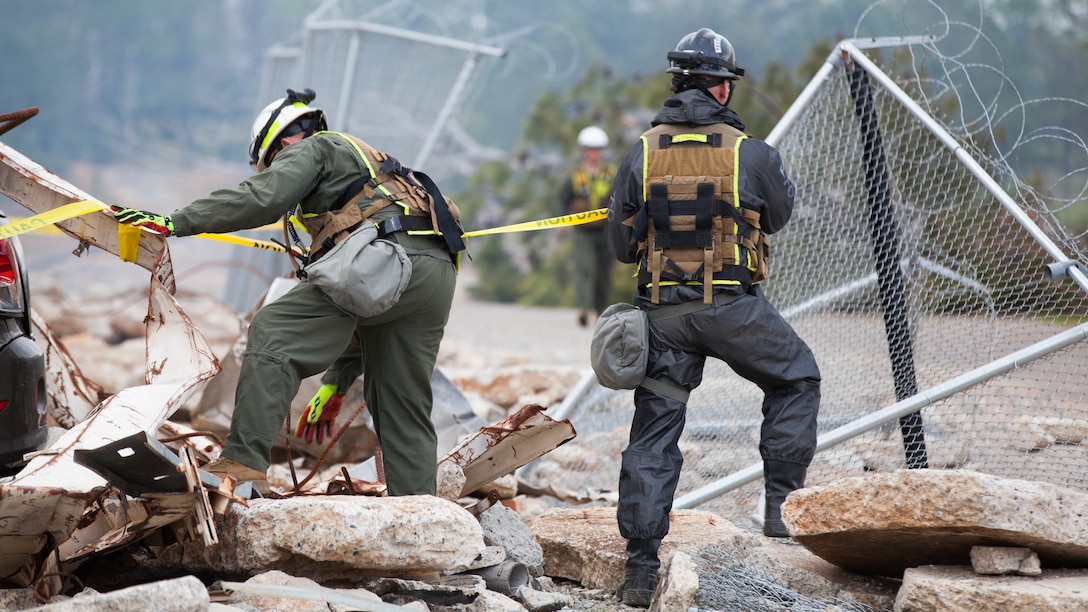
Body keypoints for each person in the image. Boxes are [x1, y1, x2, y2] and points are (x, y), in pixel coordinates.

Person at [110, 88, 465, 496]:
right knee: (401, 404)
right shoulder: (375, 168)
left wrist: (175, 222)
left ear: (283, 141)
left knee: (273, 328)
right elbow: (367, 311)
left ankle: (241, 465)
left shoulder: (312, 148)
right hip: (435, 272)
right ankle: (423, 518)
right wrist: (336, 383)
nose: (277, 170)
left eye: (274, 163)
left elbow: (261, 198)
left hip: (385, 260)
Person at [603, 29, 821, 606]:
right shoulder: (751, 152)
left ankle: (640, 571)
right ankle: (779, 508)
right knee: (795, 377)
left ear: (676, 84)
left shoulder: (641, 151)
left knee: (654, 434)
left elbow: (624, 249)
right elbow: (775, 218)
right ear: (723, 87)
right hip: (734, 309)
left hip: (664, 317)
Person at [559, 125, 615, 327]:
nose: (593, 154)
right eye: (590, 149)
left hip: (605, 230)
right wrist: (563, 221)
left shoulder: (611, 173)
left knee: (603, 271)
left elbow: (620, 197)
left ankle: (600, 310)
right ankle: (583, 308)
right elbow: (563, 200)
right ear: (584, 151)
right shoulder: (574, 176)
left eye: (597, 149)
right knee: (584, 268)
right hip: (582, 232)